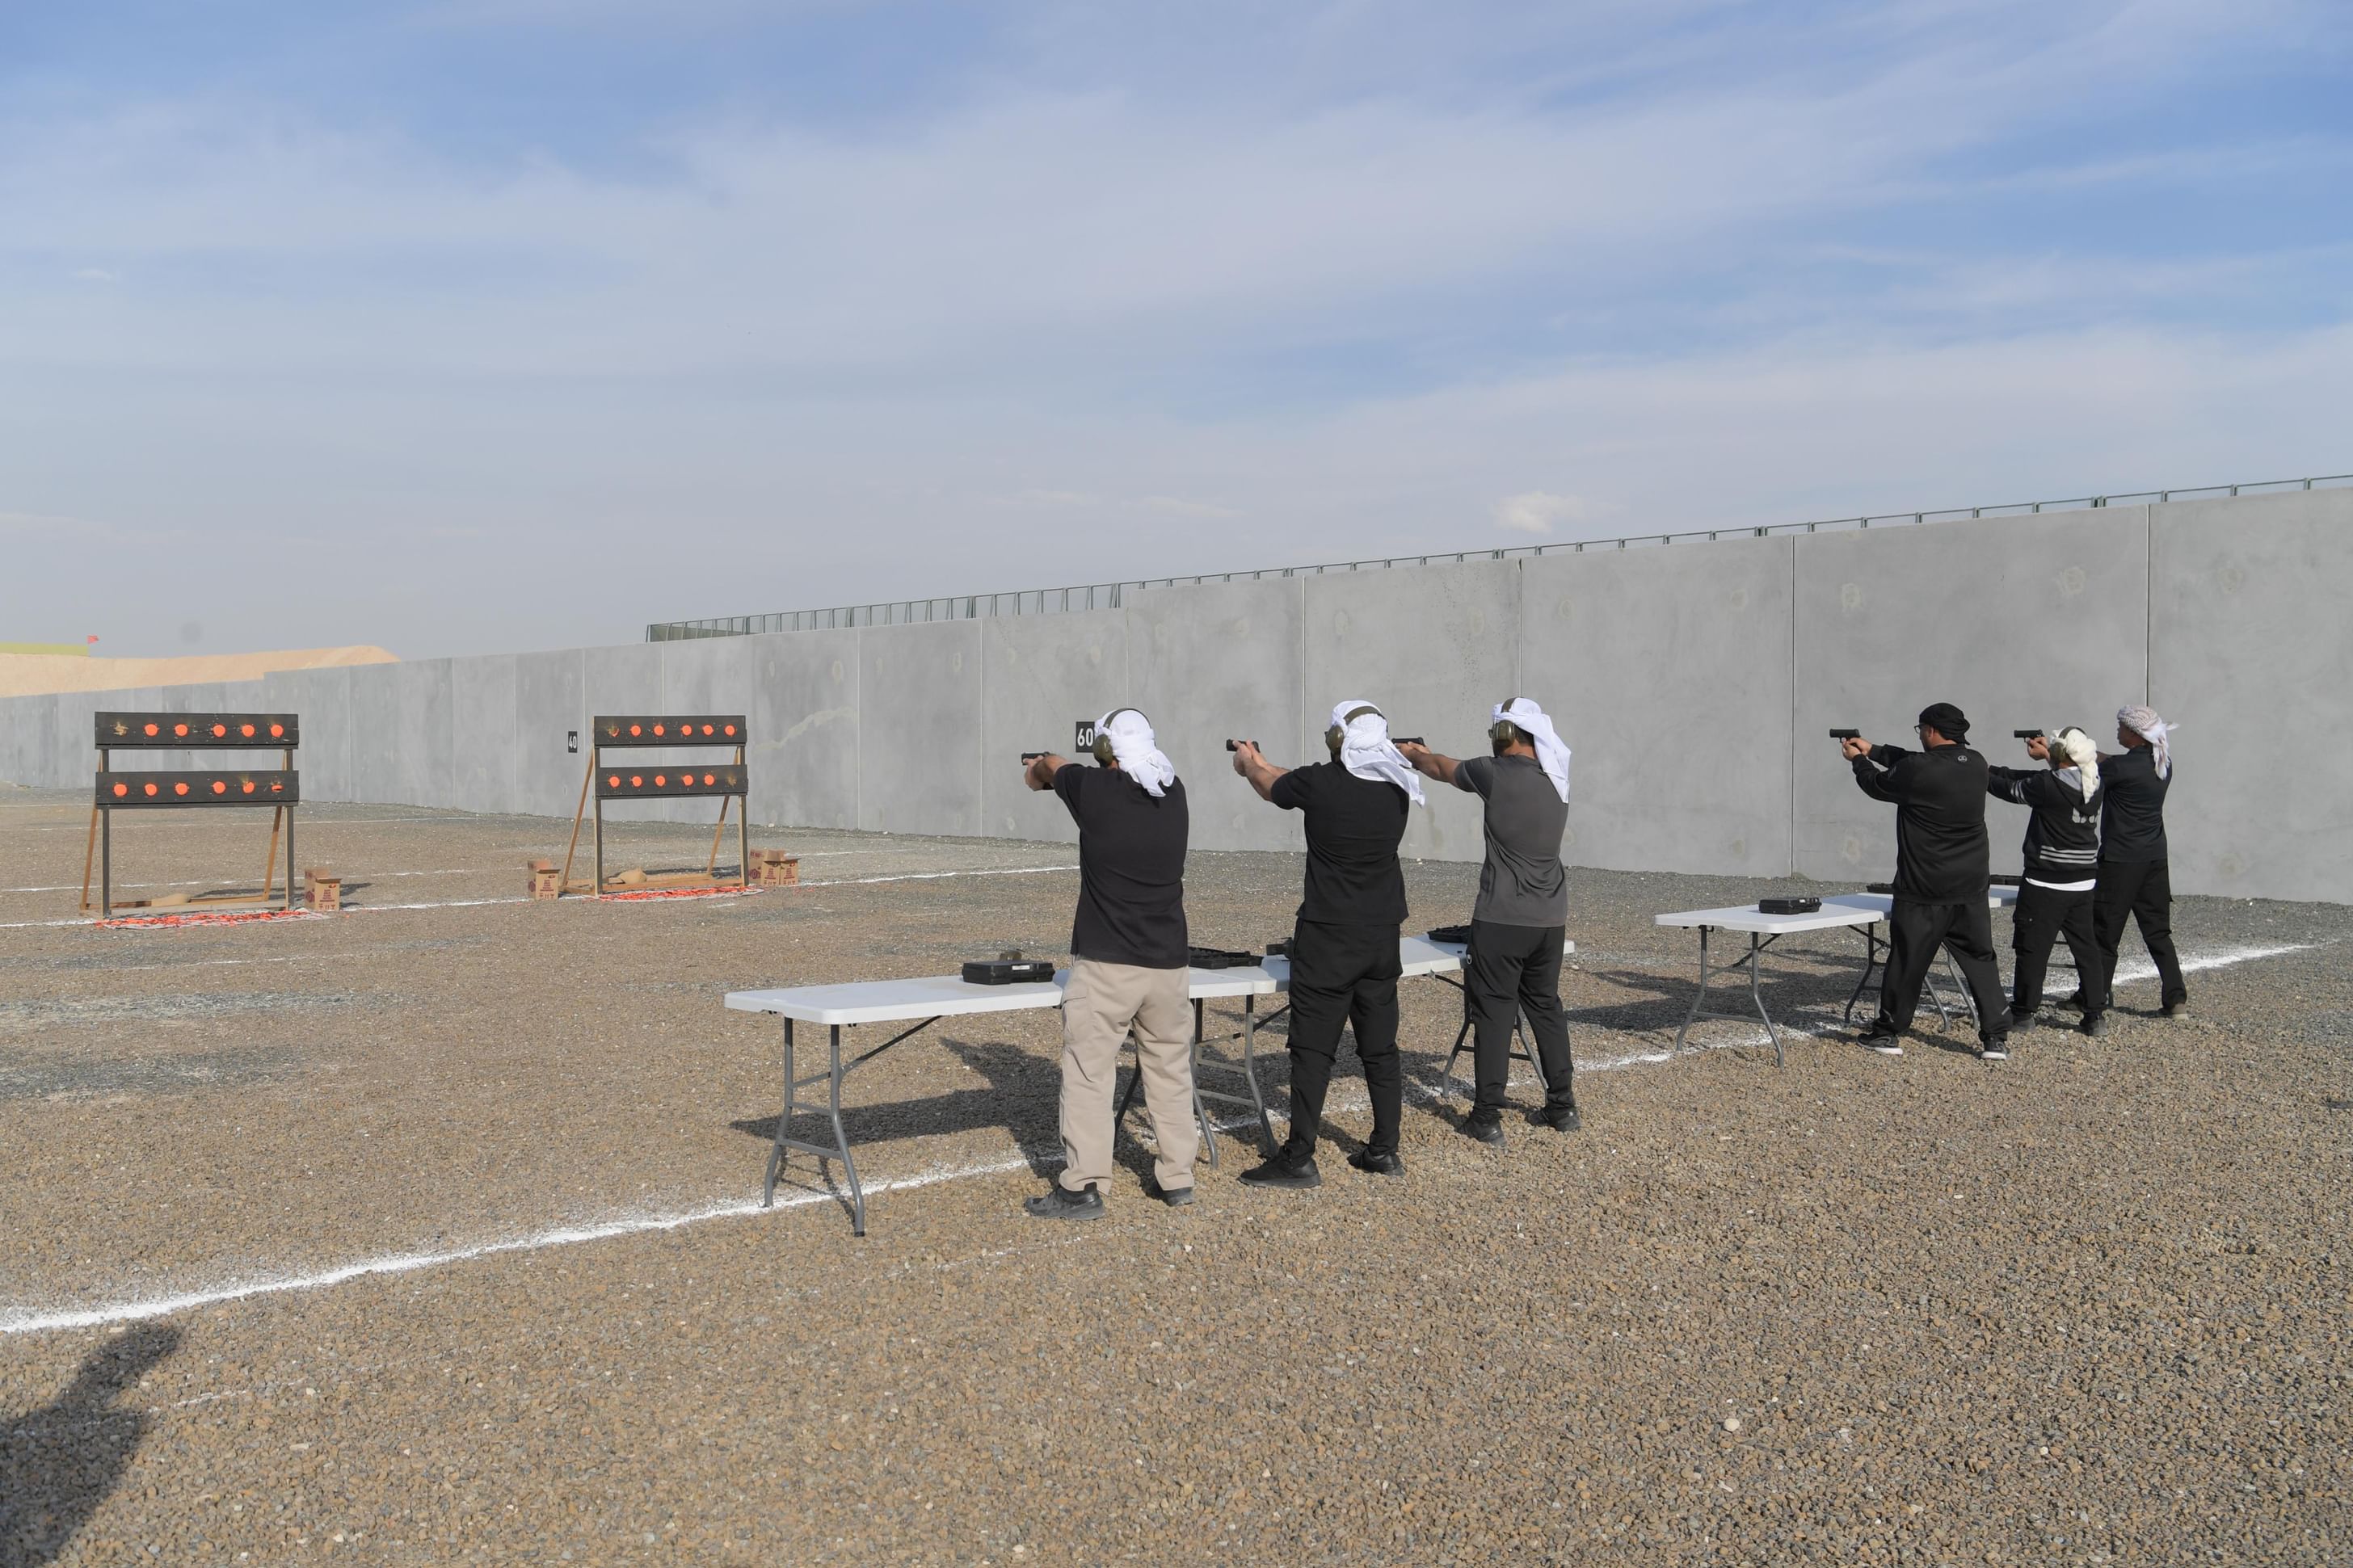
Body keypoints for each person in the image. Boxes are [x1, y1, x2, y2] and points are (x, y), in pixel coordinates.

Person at [1228, 700, 1421, 1188]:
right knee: (1380, 1049)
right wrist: (1263, 761)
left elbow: (1273, 787)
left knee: (1312, 1051)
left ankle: (1298, 1158)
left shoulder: (1321, 783)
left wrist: (1249, 765)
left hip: (1329, 936)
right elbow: (1295, 778)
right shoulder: (1397, 782)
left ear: (1338, 740)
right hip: (1382, 935)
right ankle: (1384, 1150)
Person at [1020, 708, 1198, 1220]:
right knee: (1170, 1072)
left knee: (1089, 1076)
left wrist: (1037, 768)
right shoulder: (1175, 792)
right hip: (1169, 965)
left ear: (1105, 752)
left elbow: (1048, 769)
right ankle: (1178, 1178)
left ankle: (1083, 1186)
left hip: (1108, 965)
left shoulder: (1094, 790)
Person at [1399, 697, 1581, 1144]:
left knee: (1495, 1013)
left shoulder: (1493, 773)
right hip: (1550, 920)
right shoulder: (1558, 779)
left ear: (1505, 733)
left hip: (1502, 919)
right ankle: (1562, 1106)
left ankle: (1486, 1117)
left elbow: (1439, 768)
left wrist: (1413, 755)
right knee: (1546, 1008)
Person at [1842, 703, 2014, 1059]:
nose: (1919, 735)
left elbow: (1876, 784)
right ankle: (1996, 1038)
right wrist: (1874, 749)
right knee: (1981, 960)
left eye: (1920, 729)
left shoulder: (1918, 769)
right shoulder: (1976, 763)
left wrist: (1858, 760)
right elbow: (1916, 762)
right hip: (1970, 886)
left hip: (1924, 887)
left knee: (1907, 963)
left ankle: (1888, 1033)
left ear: (1931, 730)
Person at [1986, 726, 2109, 1036]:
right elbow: (2052, 774)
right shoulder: (2095, 780)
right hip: (2084, 880)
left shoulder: (2047, 785)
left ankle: (2024, 1012)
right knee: (2087, 949)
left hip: (2046, 881)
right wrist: (2049, 758)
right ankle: (2095, 1015)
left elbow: (2008, 789)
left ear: (2058, 754)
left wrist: (1976, 772)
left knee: (2033, 949)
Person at [2089, 705, 2187, 1018]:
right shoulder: (2163, 763)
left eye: (2121, 727)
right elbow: (2114, 763)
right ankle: (2176, 1000)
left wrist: (2058, 754)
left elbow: (2090, 774)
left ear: (2135, 734)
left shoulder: (2120, 769)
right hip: (2154, 857)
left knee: (2105, 934)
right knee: (2158, 933)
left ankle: (2094, 999)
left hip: (2120, 860)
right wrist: (2091, 752)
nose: (2117, 731)